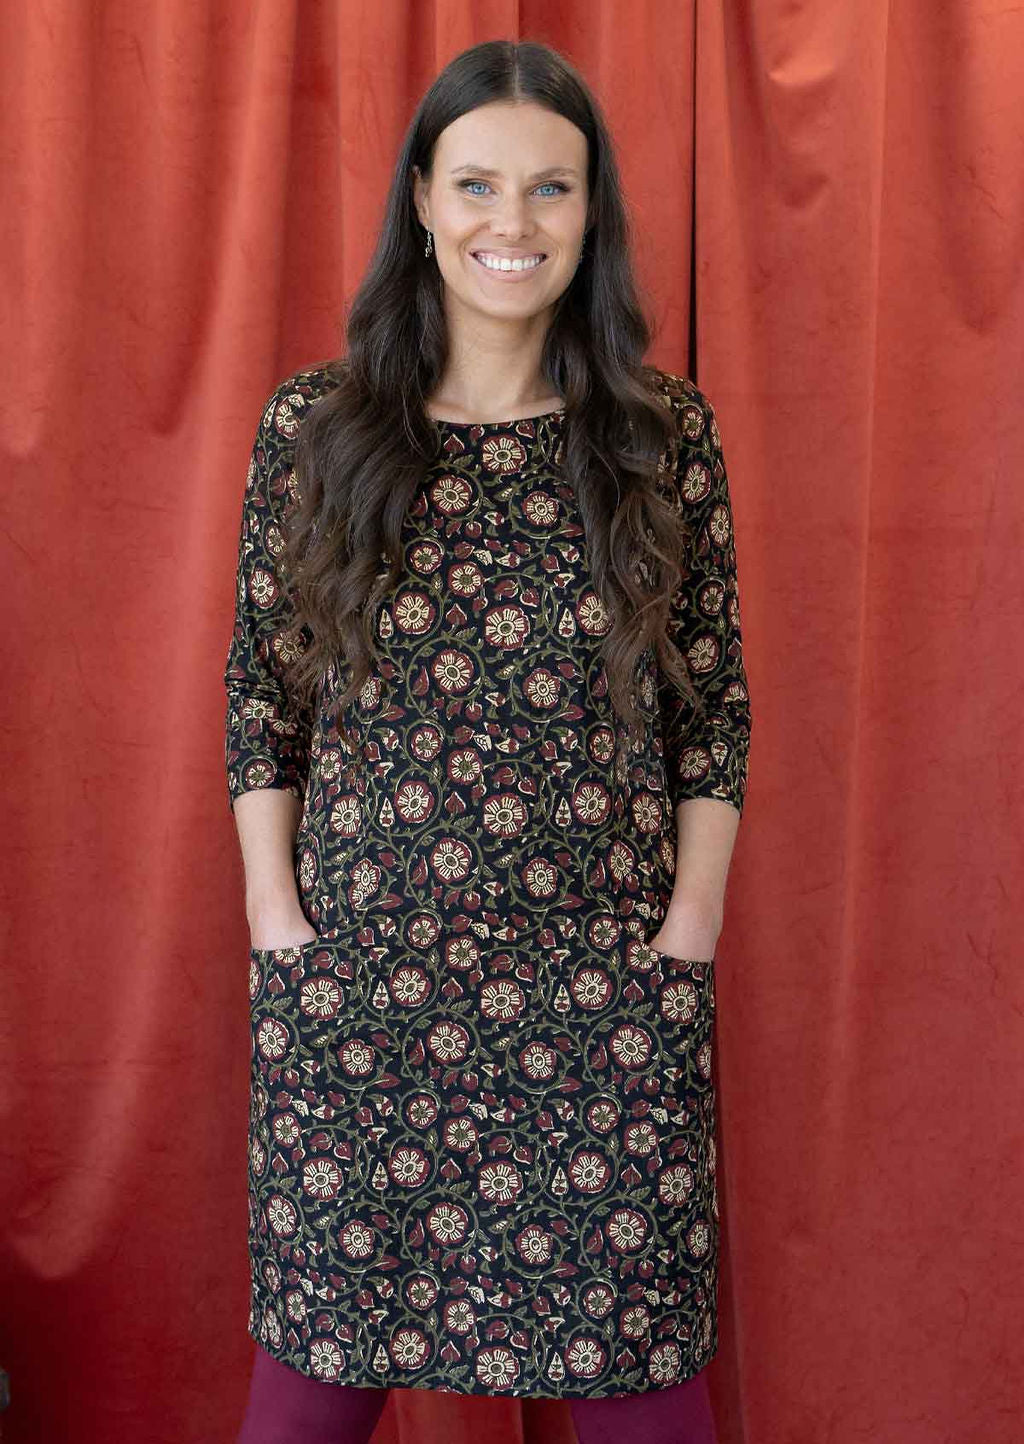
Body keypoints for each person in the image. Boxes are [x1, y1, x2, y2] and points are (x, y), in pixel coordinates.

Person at [225, 38, 751, 1444]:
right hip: (361, 995)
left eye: (550, 188)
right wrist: (281, 928)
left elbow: (711, 713)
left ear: (591, 214)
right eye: (476, 184)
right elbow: (264, 698)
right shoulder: (316, 428)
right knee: (308, 1398)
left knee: (648, 1395)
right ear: (421, 198)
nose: (511, 222)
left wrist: (685, 941)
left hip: (605, 1000)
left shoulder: (661, 439)